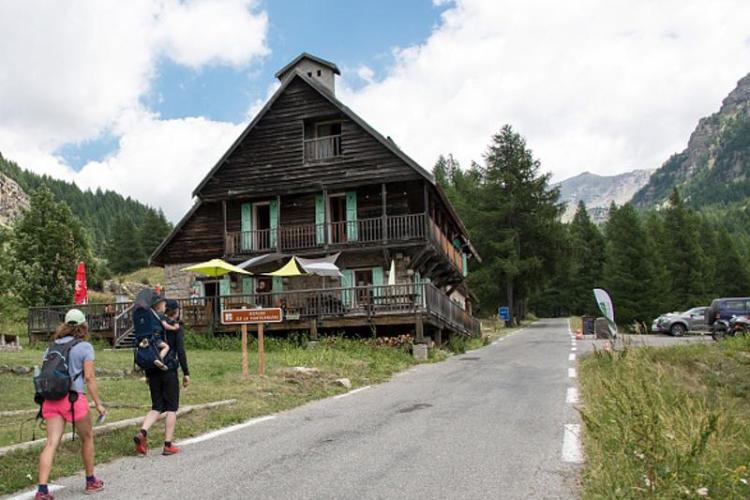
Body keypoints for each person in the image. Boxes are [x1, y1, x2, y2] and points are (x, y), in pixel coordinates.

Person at [35, 309, 106, 500]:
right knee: (87, 438)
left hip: (51, 400)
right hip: (74, 400)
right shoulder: (85, 347)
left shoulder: (50, 347)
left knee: (51, 443)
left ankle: (42, 490)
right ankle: (91, 481)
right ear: (83, 326)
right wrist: (98, 404)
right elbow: (89, 378)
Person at [134, 299, 190, 457]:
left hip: (152, 369)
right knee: (172, 407)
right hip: (169, 369)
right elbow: (180, 351)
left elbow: (149, 348)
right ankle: (167, 444)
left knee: (156, 406)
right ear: (176, 311)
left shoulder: (155, 325)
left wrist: (147, 373)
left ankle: (143, 432)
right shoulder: (176, 328)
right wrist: (186, 373)